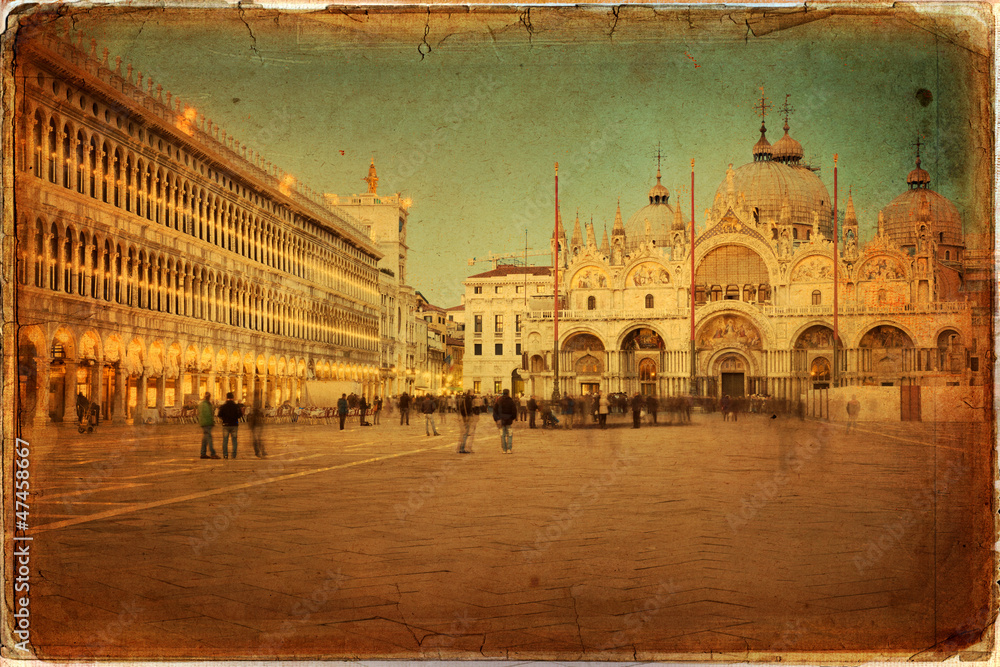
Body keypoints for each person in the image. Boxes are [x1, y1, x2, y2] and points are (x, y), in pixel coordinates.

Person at [217, 392, 242, 459]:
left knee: (225, 440)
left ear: (226, 398)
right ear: (233, 398)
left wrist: (224, 418)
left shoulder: (223, 406)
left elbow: (219, 415)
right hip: (234, 424)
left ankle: (225, 455)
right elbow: (240, 415)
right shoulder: (236, 406)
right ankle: (234, 455)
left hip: (225, 425)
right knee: (234, 440)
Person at [494, 389, 518, 454]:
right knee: (509, 434)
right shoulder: (510, 401)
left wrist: (496, 419)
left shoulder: (499, 400)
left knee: (502, 435)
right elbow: (514, 411)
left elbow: (495, 411)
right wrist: (512, 418)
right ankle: (509, 449)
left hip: (501, 420)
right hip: (508, 420)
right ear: (508, 393)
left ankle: (504, 449)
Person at [197, 392, 219, 459]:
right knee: (209, 438)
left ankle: (203, 453)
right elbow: (208, 414)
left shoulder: (201, 404)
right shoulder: (206, 404)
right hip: (207, 423)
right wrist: (211, 422)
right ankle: (213, 453)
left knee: (205, 439)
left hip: (203, 423)